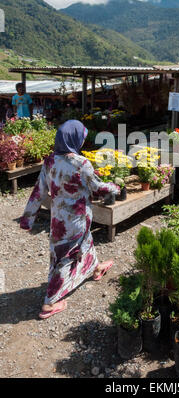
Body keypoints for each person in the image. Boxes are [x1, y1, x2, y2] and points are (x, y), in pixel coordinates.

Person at [20, 120, 120, 319]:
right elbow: (98, 188)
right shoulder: (81, 163)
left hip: (59, 219)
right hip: (77, 220)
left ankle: (96, 268)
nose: (82, 142)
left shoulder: (50, 161)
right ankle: (50, 302)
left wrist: (27, 219)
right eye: (81, 138)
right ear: (74, 139)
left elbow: (39, 190)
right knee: (65, 258)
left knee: (84, 243)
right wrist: (115, 187)